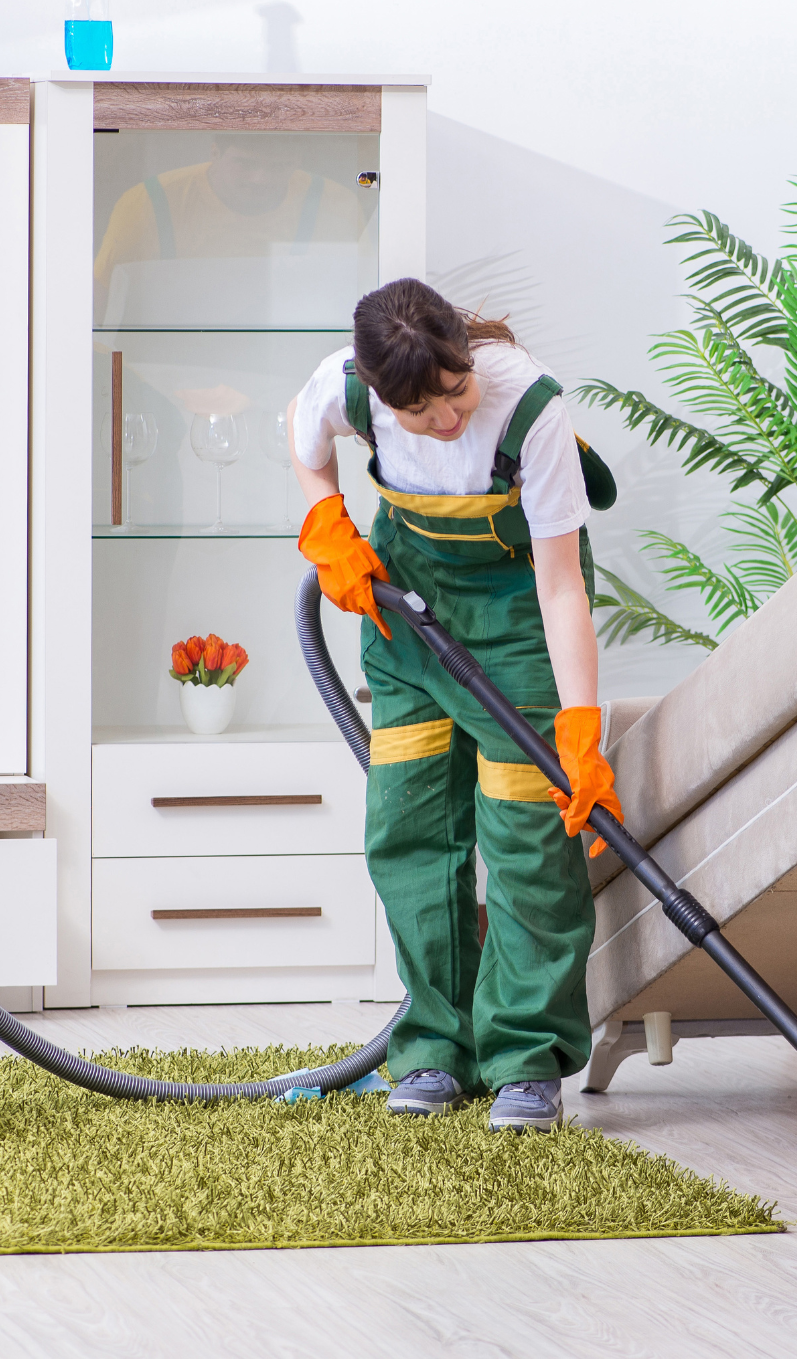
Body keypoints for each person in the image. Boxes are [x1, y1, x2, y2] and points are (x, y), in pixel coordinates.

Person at [287, 277, 620, 1132]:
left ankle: (525, 1059)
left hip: (517, 623)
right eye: (419, 411)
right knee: (410, 831)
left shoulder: (528, 407)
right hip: (406, 622)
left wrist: (579, 728)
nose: (447, 419)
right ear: (379, 394)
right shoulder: (348, 385)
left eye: (456, 390)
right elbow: (302, 434)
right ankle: (435, 1045)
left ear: (468, 359)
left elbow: (560, 588)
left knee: (527, 847)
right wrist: (328, 519)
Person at [93, 133, 363, 315]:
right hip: (166, 373)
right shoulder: (148, 203)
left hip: (289, 372)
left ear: (298, 161)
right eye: (245, 163)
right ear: (214, 153)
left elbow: (360, 303)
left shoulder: (334, 205)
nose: (261, 178)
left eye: (280, 166)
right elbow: (98, 307)